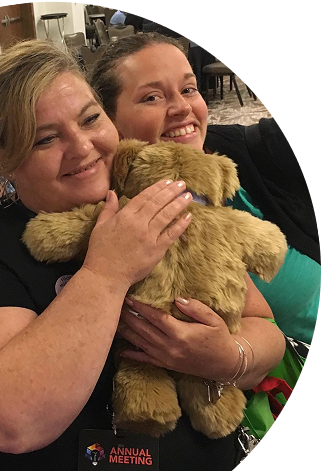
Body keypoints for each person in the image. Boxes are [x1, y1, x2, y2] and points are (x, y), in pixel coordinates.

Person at [0, 40, 285, 471]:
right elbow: (10, 422)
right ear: (5, 156)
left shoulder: (154, 195)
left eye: (90, 119)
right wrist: (106, 273)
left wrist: (227, 357)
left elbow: (266, 329)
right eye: (46, 139)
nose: (83, 147)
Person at [89, 32, 320, 345]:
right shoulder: (116, 216)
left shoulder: (249, 150)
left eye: (188, 89)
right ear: (109, 120)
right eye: (152, 97)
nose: (182, 107)